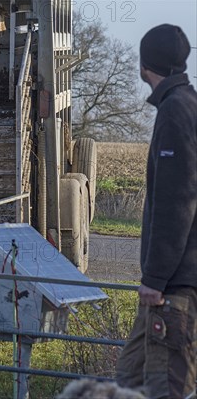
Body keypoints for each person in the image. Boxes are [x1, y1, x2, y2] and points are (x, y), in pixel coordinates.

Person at [115, 24, 197, 399]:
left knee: (163, 388)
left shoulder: (176, 112)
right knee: (129, 379)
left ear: (145, 65)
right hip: (170, 283)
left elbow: (175, 200)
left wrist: (156, 277)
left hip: (173, 288)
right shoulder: (185, 103)